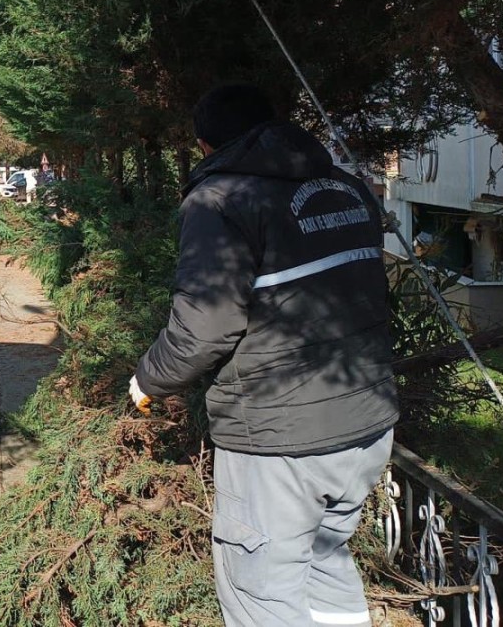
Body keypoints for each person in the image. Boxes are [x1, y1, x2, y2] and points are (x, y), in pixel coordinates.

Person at [129, 84, 398, 627]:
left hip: (281, 441)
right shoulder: (346, 187)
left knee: (262, 597)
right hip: (367, 425)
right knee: (326, 563)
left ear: (207, 145)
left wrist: (147, 380)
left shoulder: (219, 199)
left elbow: (204, 327)